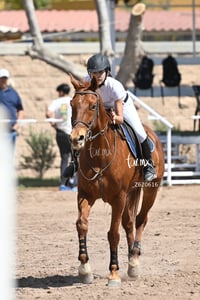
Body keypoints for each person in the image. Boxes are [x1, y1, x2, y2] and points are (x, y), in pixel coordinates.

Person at [64, 53, 156, 182]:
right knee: (77, 132)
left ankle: (148, 165)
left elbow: (120, 119)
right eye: (93, 73)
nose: (97, 76)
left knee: (139, 132)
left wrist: (115, 117)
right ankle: (74, 163)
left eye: (100, 72)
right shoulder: (87, 82)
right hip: (99, 108)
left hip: (122, 107)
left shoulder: (114, 86)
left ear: (107, 72)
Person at [46, 83, 77, 191]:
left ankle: (63, 184)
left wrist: (53, 125)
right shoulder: (73, 100)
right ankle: (74, 184)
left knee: (64, 158)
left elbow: (48, 113)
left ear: (61, 92)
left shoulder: (56, 102)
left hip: (61, 133)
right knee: (75, 158)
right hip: (74, 133)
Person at [0, 68, 24, 146]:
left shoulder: (13, 93)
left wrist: (17, 124)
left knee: (9, 156)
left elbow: (20, 109)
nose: (3, 81)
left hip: (11, 131)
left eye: (5, 78)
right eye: (1, 78)